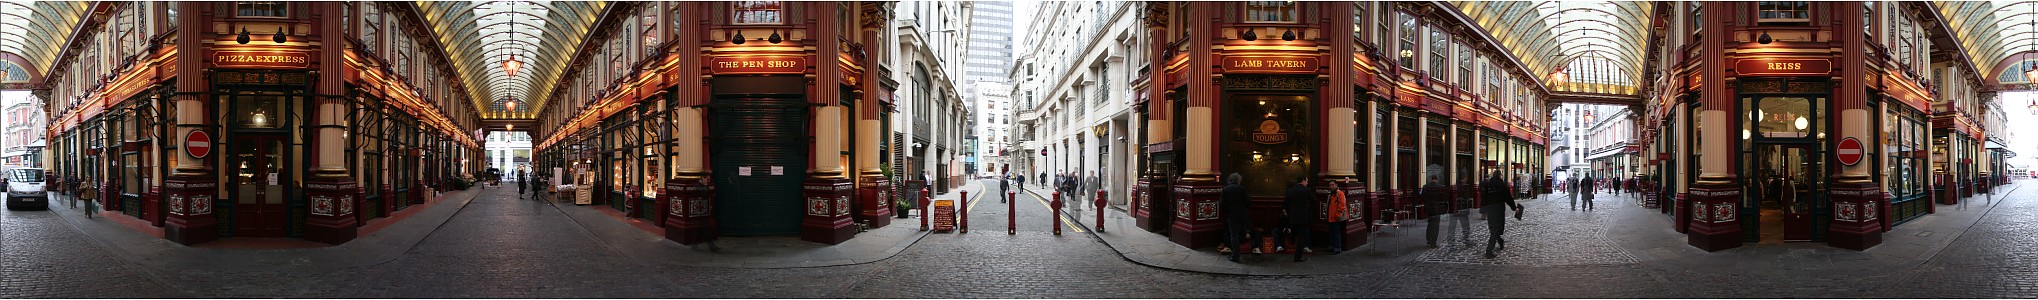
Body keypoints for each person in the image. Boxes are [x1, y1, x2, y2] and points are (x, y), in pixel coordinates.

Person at [1482, 171, 1524, 259]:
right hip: (1498, 209)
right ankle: (1489, 251)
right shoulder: (1502, 185)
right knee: (1496, 229)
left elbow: (1484, 197)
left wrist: (1483, 209)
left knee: (1493, 228)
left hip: (1490, 209)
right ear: (1500, 176)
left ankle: (1500, 241)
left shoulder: (1488, 185)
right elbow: (1508, 197)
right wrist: (1514, 208)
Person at [1283, 176, 1317, 262]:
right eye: (1307, 181)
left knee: (1293, 234)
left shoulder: (1290, 190)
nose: (1307, 183)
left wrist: (1289, 213)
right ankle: (1298, 257)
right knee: (1302, 238)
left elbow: (1286, 203)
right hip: (1303, 218)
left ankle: (1289, 249)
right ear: (1303, 181)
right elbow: (1313, 199)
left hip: (1293, 217)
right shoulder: (1307, 190)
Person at [1220, 173, 1251, 262]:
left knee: (1234, 235)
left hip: (1232, 215)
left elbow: (1222, 203)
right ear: (1238, 180)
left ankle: (1235, 255)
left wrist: (1227, 212)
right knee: (1242, 232)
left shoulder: (1225, 189)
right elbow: (1248, 201)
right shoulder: (1242, 189)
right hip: (1242, 214)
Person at [1421, 176, 1447, 247]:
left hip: (1429, 208)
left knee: (1430, 223)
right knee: (1436, 225)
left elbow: (1421, 196)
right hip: (1437, 208)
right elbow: (1444, 198)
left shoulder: (1425, 187)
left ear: (1431, 179)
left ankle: (1428, 239)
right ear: (1437, 179)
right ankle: (1434, 242)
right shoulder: (1440, 187)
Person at [1326, 181, 1349, 255]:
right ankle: (1331, 247)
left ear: (1336, 185)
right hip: (1330, 217)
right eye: (1330, 185)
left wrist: (1338, 215)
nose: (1331, 186)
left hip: (1336, 217)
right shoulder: (1330, 194)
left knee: (1336, 233)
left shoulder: (1340, 193)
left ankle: (1337, 248)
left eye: (1332, 185)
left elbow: (1342, 205)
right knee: (1331, 232)